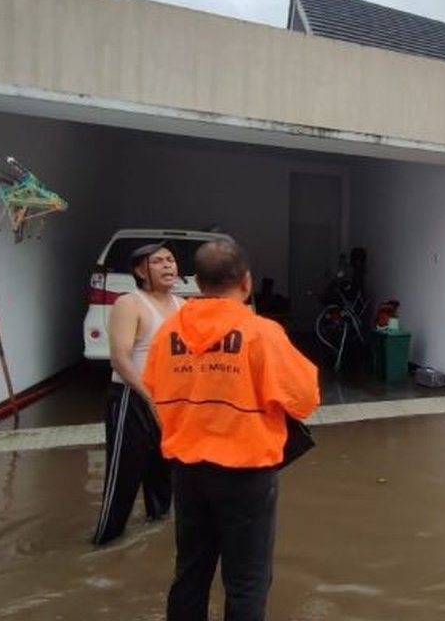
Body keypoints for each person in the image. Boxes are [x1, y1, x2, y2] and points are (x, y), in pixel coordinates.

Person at [143, 239, 320, 621]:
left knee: (190, 573)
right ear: (247, 281)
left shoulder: (168, 332)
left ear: (199, 283)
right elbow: (305, 400)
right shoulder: (261, 333)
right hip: (247, 474)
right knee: (246, 581)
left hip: (188, 472)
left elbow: (154, 390)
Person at [92, 242, 181, 545]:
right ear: (141, 271)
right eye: (158, 261)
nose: (168, 265)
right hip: (132, 398)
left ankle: (155, 537)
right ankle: (104, 544)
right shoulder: (129, 303)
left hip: (169, 404)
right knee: (123, 481)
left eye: (170, 260)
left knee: (163, 478)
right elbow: (119, 358)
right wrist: (149, 397)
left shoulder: (182, 306)